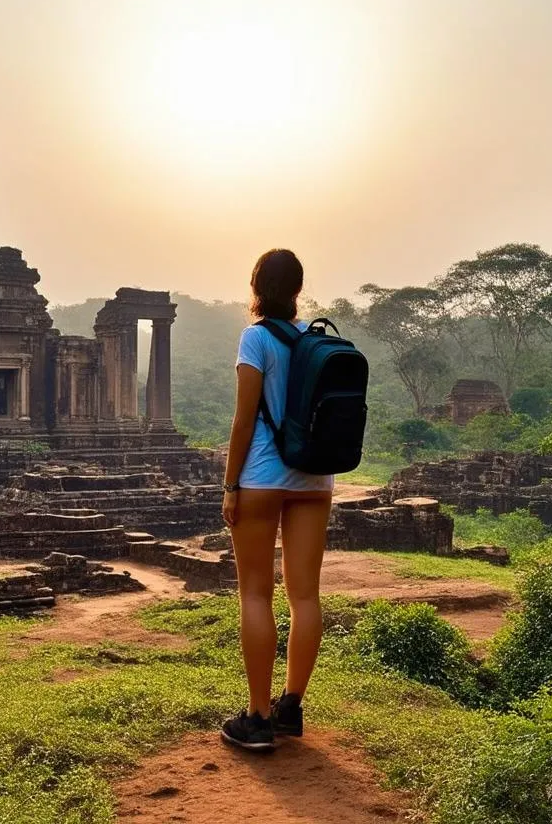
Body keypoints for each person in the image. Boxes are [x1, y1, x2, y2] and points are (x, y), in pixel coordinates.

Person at [220, 249, 334, 752]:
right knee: (305, 595)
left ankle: (258, 717)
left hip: (263, 476)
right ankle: (292, 707)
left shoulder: (256, 337)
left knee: (256, 594)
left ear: (256, 286)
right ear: (298, 289)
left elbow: (244, 420)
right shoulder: (316, 339)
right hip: (314, 479)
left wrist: (230, 485)